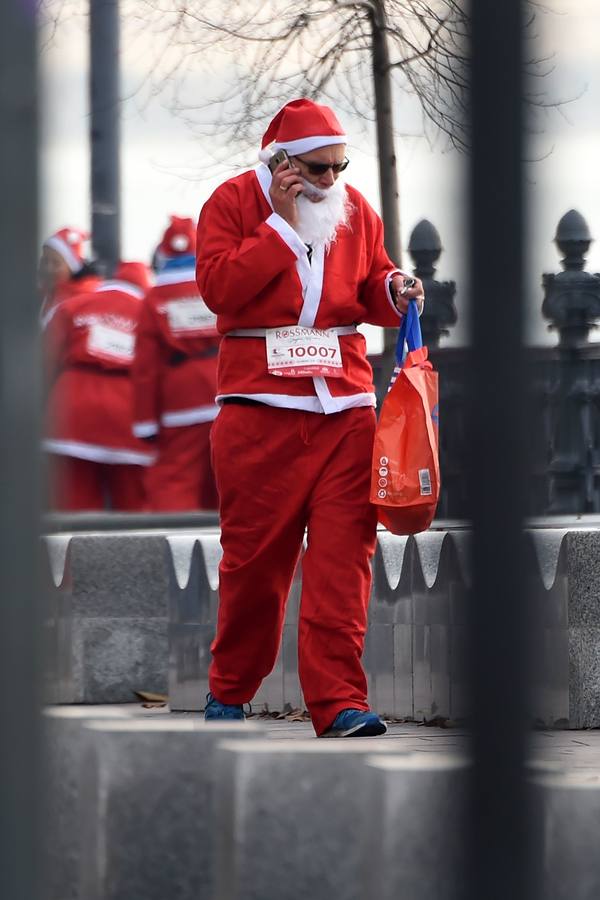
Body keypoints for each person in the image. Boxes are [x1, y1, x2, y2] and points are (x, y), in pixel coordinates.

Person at [196, 98, 425, 737]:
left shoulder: (356, 210)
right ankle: (229, 691)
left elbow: (372, 281)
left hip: (346, 407)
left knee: (344, 560)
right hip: (257, 410)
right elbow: (219, 290)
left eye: (338, 167)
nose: (331, 180)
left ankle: (340, 702)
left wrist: (394, 289)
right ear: (282, 166)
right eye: (317, 170)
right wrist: (283, 228)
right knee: (255, 563)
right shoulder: (232, 204)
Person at [43, 261, 155, 511]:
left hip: (71, 414)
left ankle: (74, 550)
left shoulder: (72, 306)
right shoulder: (150, 312)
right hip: (129, 419)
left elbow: (43, 364)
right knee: (135, 514)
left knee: (73, 510)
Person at [132, 215, 220, 510]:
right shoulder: (217, 285)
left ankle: (169, 545)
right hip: (226, 385)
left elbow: (146, 367)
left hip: (181, 399)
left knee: (175, 478)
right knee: (230, 474)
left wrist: (145, 421)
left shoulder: (154, 298)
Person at [38, 227, 102, 327]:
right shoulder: (43, 293)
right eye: (45, 261)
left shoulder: (84, 299)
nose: (48, 268)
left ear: (72, 268)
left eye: (56, 263)